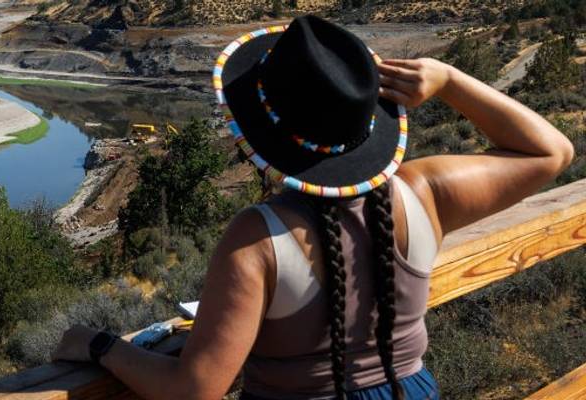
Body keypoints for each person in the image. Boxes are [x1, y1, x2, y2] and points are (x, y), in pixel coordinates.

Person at [52, 15, 574, 400]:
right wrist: (450, 80)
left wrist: (100, 346)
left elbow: (196, 388)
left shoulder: (256, 239)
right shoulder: (426, 191)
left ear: (256, 135)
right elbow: (552, 151)